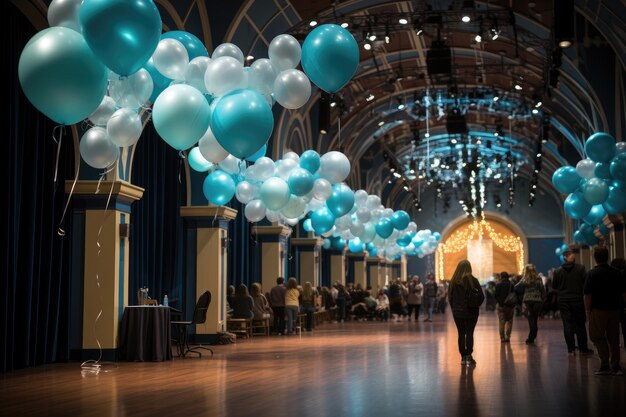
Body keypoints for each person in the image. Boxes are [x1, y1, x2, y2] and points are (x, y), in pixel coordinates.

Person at [584, 247, 626, 376]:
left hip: (598, 310)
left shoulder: (591, 274)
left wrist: (587, 310)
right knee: (614, 337)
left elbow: (587, 295)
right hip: (614, 309)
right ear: (607, 257)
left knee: (596, 336)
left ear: (594, 258)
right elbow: (623, 292)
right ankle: (616, 366)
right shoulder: (616, 272)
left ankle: (605, 364)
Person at [552, 247, 593, 355]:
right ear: (568, 257)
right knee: (580, 324)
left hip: (564, 301)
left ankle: (571, 349)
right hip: (578, 300)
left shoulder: (557, 271)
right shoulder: (581, 268)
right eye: (572, 255)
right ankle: (583, 349)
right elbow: (586, 283)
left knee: (567, 325)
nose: (574, 256)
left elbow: (554, 286)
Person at [448, 260, 483, 366]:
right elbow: (481, 296)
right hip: (471, 311)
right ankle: (469, 356)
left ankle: (463, 357)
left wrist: (454, 308)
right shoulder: (473, 280)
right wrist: (476, 305)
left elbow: (450, 297)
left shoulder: (453, 281)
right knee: (469, 333)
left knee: (461, 333)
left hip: (457, 312)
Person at [516, 264, 546, 344]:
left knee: (530, 318)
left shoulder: (525, 278)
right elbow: (542, 289)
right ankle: (533, 335)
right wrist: (543, 298)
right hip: (537, 300)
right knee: (535, 318)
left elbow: (516, 287)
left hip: (527, 301)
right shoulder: (538, 278)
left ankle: (531, 337)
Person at [609, 258, 626, 352]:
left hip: (614, 304)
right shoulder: (624, 274)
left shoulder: (612, 274)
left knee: (613, 327)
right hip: (623, 304)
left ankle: (615, 345)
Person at [494, 271, 514, 342]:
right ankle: (507, 336)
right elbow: (514, 295)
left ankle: (502, 337)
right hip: (510, 306)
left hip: (501, 306)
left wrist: (500, 303)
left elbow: (496, 295)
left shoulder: (498, 284)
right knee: (510, 321)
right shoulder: (512, 284)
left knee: (501, 322)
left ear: (501, 277)